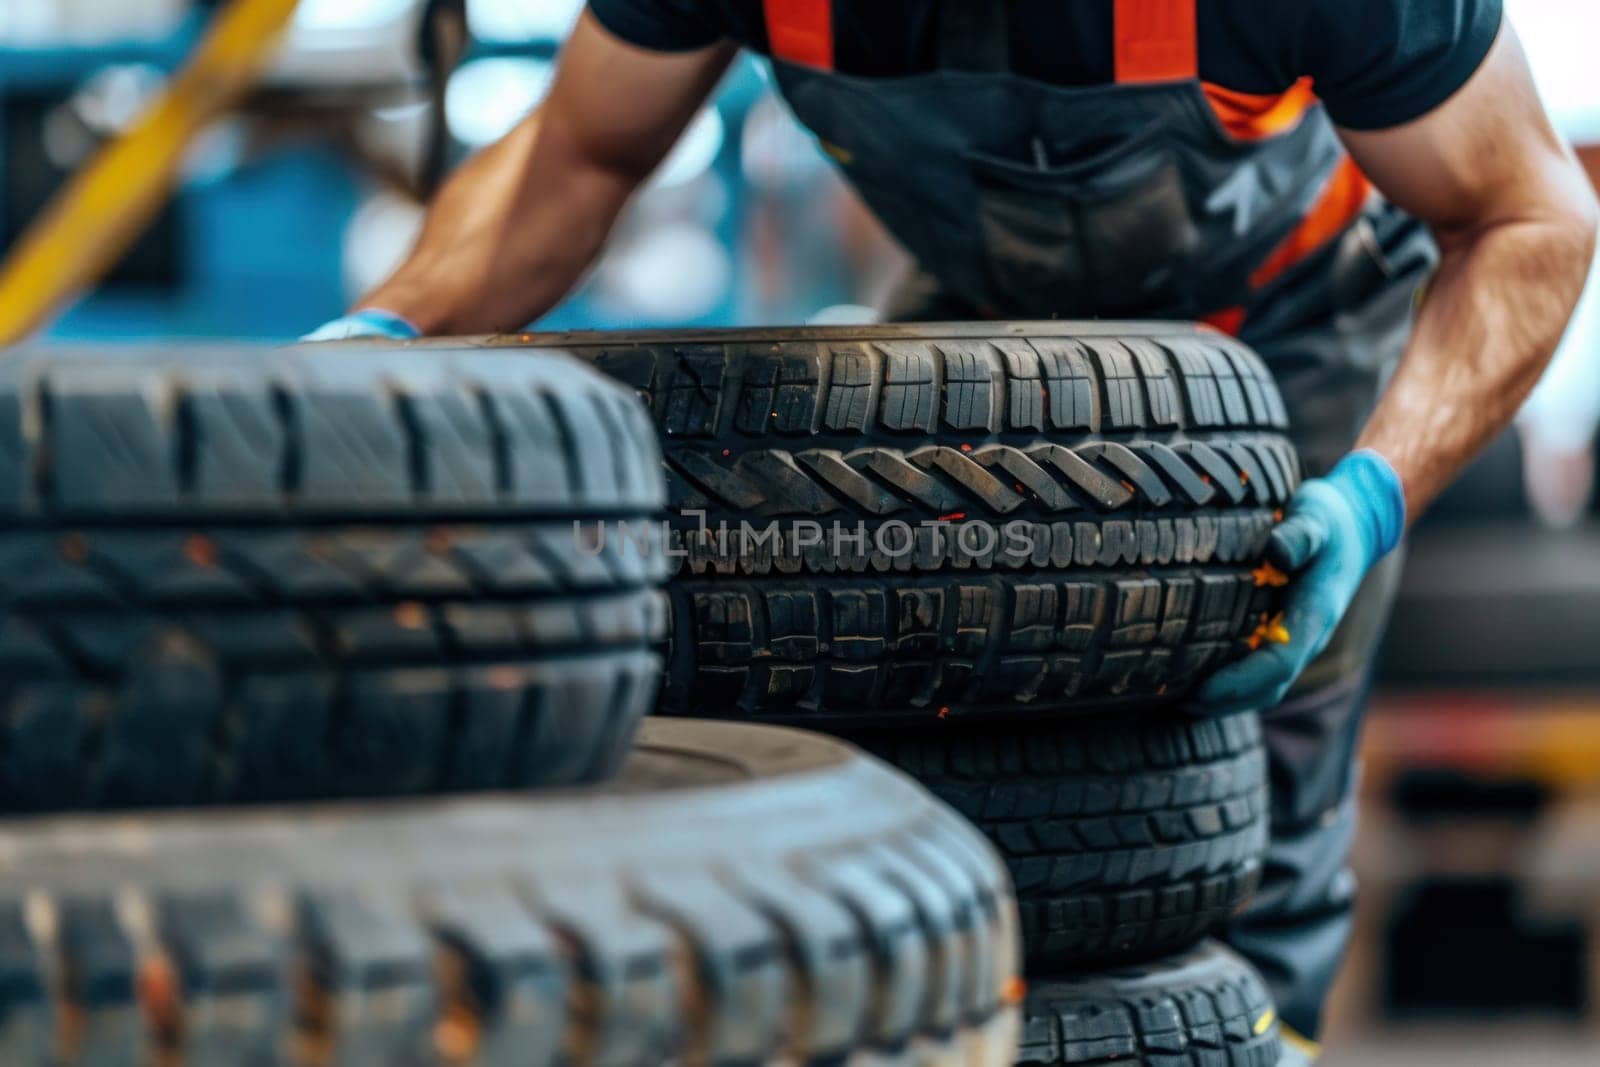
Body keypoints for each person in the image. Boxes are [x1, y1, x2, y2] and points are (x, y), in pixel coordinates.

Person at [308, 0, 1598, 1054]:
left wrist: (1372, 492)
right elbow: (573, 158)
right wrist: (385, 333)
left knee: (1239, 805)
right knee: (900, 743)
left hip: (1289, 343)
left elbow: (1531, 214)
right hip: (983, 340)